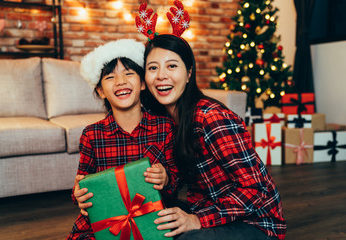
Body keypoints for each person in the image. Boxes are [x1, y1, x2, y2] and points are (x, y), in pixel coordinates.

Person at [142, 34, 286, 240]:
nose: (161, 76)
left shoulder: (211, 118)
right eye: (153, 68)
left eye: (172, 66)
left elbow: (256, 190)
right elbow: (178, 179)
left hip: (256, 222)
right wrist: (164, 178)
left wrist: (197, 220)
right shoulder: (163, 121)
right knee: (148, 217)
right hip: (208, 209)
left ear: (189, 73)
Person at [66, 38, 179, 240]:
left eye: (129, 73)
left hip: (152, 219)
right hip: (107, 222)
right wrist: (78, 194)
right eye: (110, 77)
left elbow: (175, 180)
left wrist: (166, 177)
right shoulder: (92, 135)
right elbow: (82, 184)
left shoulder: (164, 127)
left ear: (143, 83)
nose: (120, 82)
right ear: (100, 90)